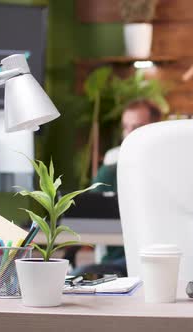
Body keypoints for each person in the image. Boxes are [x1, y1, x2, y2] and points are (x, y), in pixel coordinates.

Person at [69, 99, 162, 276]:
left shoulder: (170, 169)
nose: (129, 134)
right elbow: (89, 217)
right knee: (77, 274)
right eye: (126, 127)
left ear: (155, 128)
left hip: (158, 258)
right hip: (120, 261)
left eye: (136, 127)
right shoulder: (110, 172)